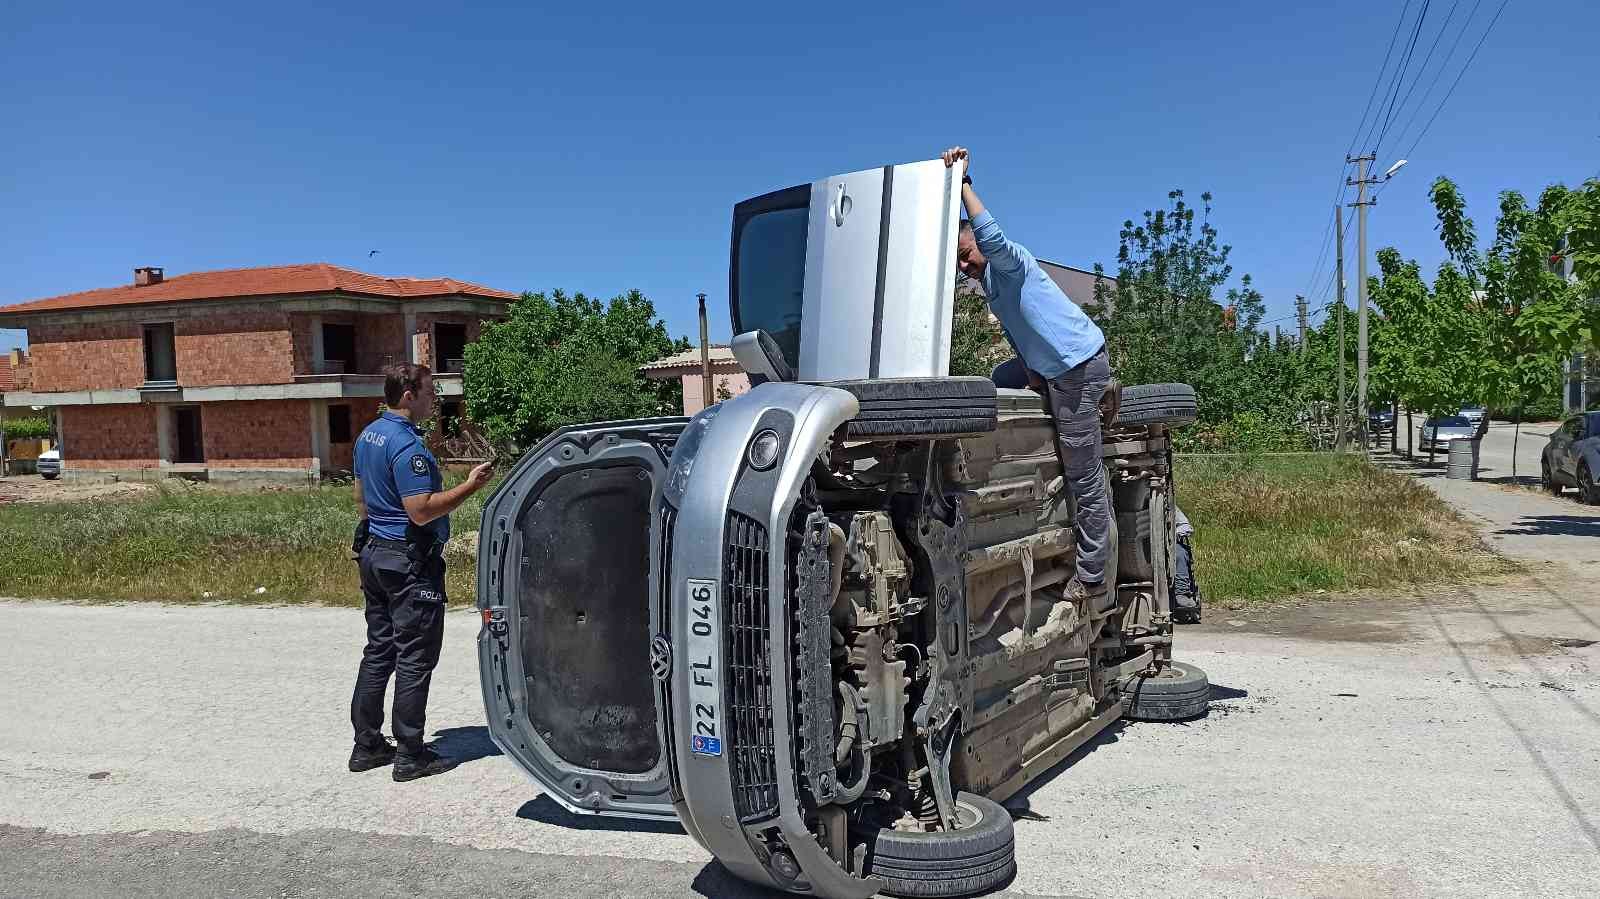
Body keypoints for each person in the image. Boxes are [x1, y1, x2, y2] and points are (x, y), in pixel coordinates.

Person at [943, 146, 1115, 606]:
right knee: (1000, 376)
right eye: (959, 263)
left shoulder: (1010, 262)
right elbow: (1023, 330)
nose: (965, 266)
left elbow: (992, 237)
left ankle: (1094, 577)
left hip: (1077, 368)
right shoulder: (995, 290)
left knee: (1085, 476)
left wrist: (963, 183)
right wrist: (1032, 373)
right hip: (1052, 366)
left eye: (966, 254)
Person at [348, 362, 493, 781]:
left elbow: (361, 498)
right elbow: (422, 510)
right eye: (430, 391)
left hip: (376, 553)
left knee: (379, 651)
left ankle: (367, 745)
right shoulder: (407, 447)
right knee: (414, 656)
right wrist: (471, 486)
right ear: (408, 395)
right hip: (409, 562)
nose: (436, 399)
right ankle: (411, 754)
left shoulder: (368, 435)